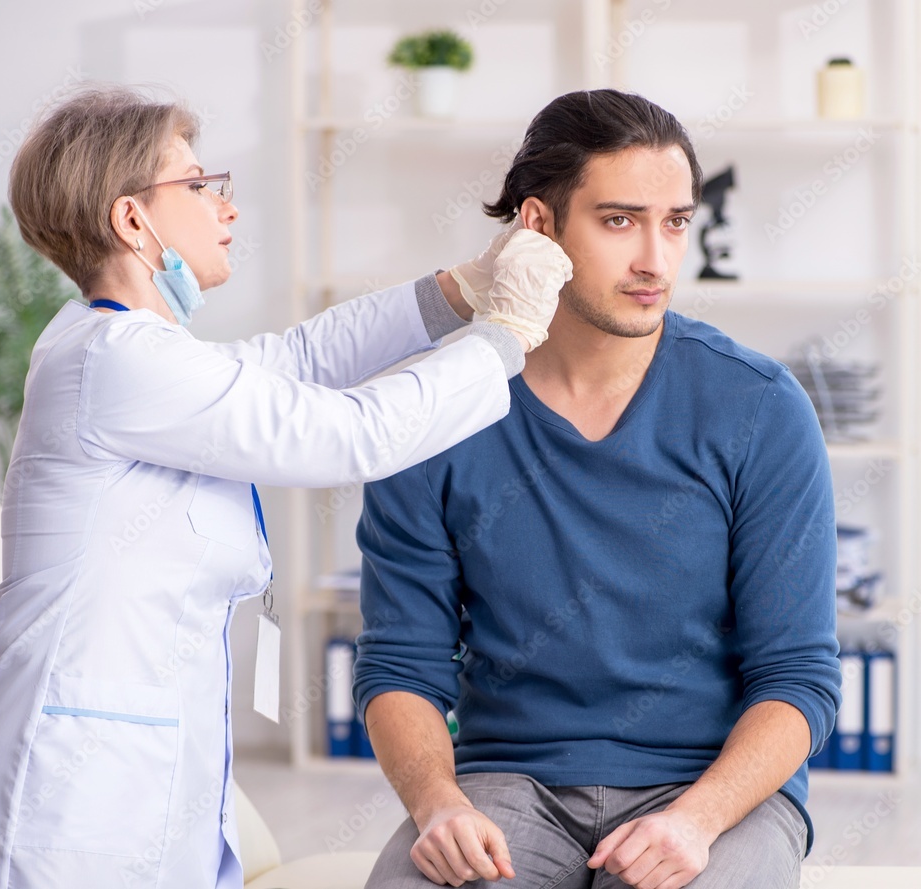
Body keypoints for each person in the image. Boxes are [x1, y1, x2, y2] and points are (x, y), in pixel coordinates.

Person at [0, 86, 572, 889]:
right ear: (133, 219)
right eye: (199, 185)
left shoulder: (133, 348)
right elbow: (350, 433)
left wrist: (459, 289)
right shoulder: (116, 358)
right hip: (70, 798)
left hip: (137, 775)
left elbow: (299, 359)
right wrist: (503, 337)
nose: (226, 206)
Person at [353, 89, 841, 889]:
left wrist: (699, 818)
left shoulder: (758, 407)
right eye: (619, 221)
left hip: (713, 789)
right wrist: (438, 804)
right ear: (538, 226)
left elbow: (798, 677)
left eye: (675, 222)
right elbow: (401, 662)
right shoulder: (436, 410)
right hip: (506, 783)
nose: (656, 260)